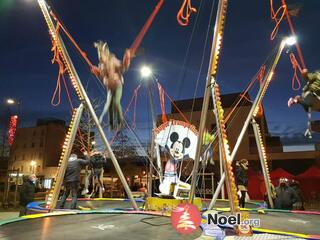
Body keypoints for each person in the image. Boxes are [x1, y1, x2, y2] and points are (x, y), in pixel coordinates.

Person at [91, 41, 131, 130]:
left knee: (116, 103)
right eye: (100, 56)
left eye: (103, 55)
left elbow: (123, 67)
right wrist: (96, 71)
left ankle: (121, 122)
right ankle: (111, 124)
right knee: (109, 106)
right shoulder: (101, 65)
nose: (102, 58)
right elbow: (102, 74)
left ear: (107, 54)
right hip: (110, 87)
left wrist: (126, 59)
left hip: (117, 85)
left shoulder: (113, 60)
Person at [288, 69, 320, 137]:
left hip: (315, 99)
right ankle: (296, 99)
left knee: (310, 107)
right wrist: (305, 74)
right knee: (309, 104)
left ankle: (297, 100)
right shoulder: (317, 75)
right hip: (309, 94)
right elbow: (308, 77)